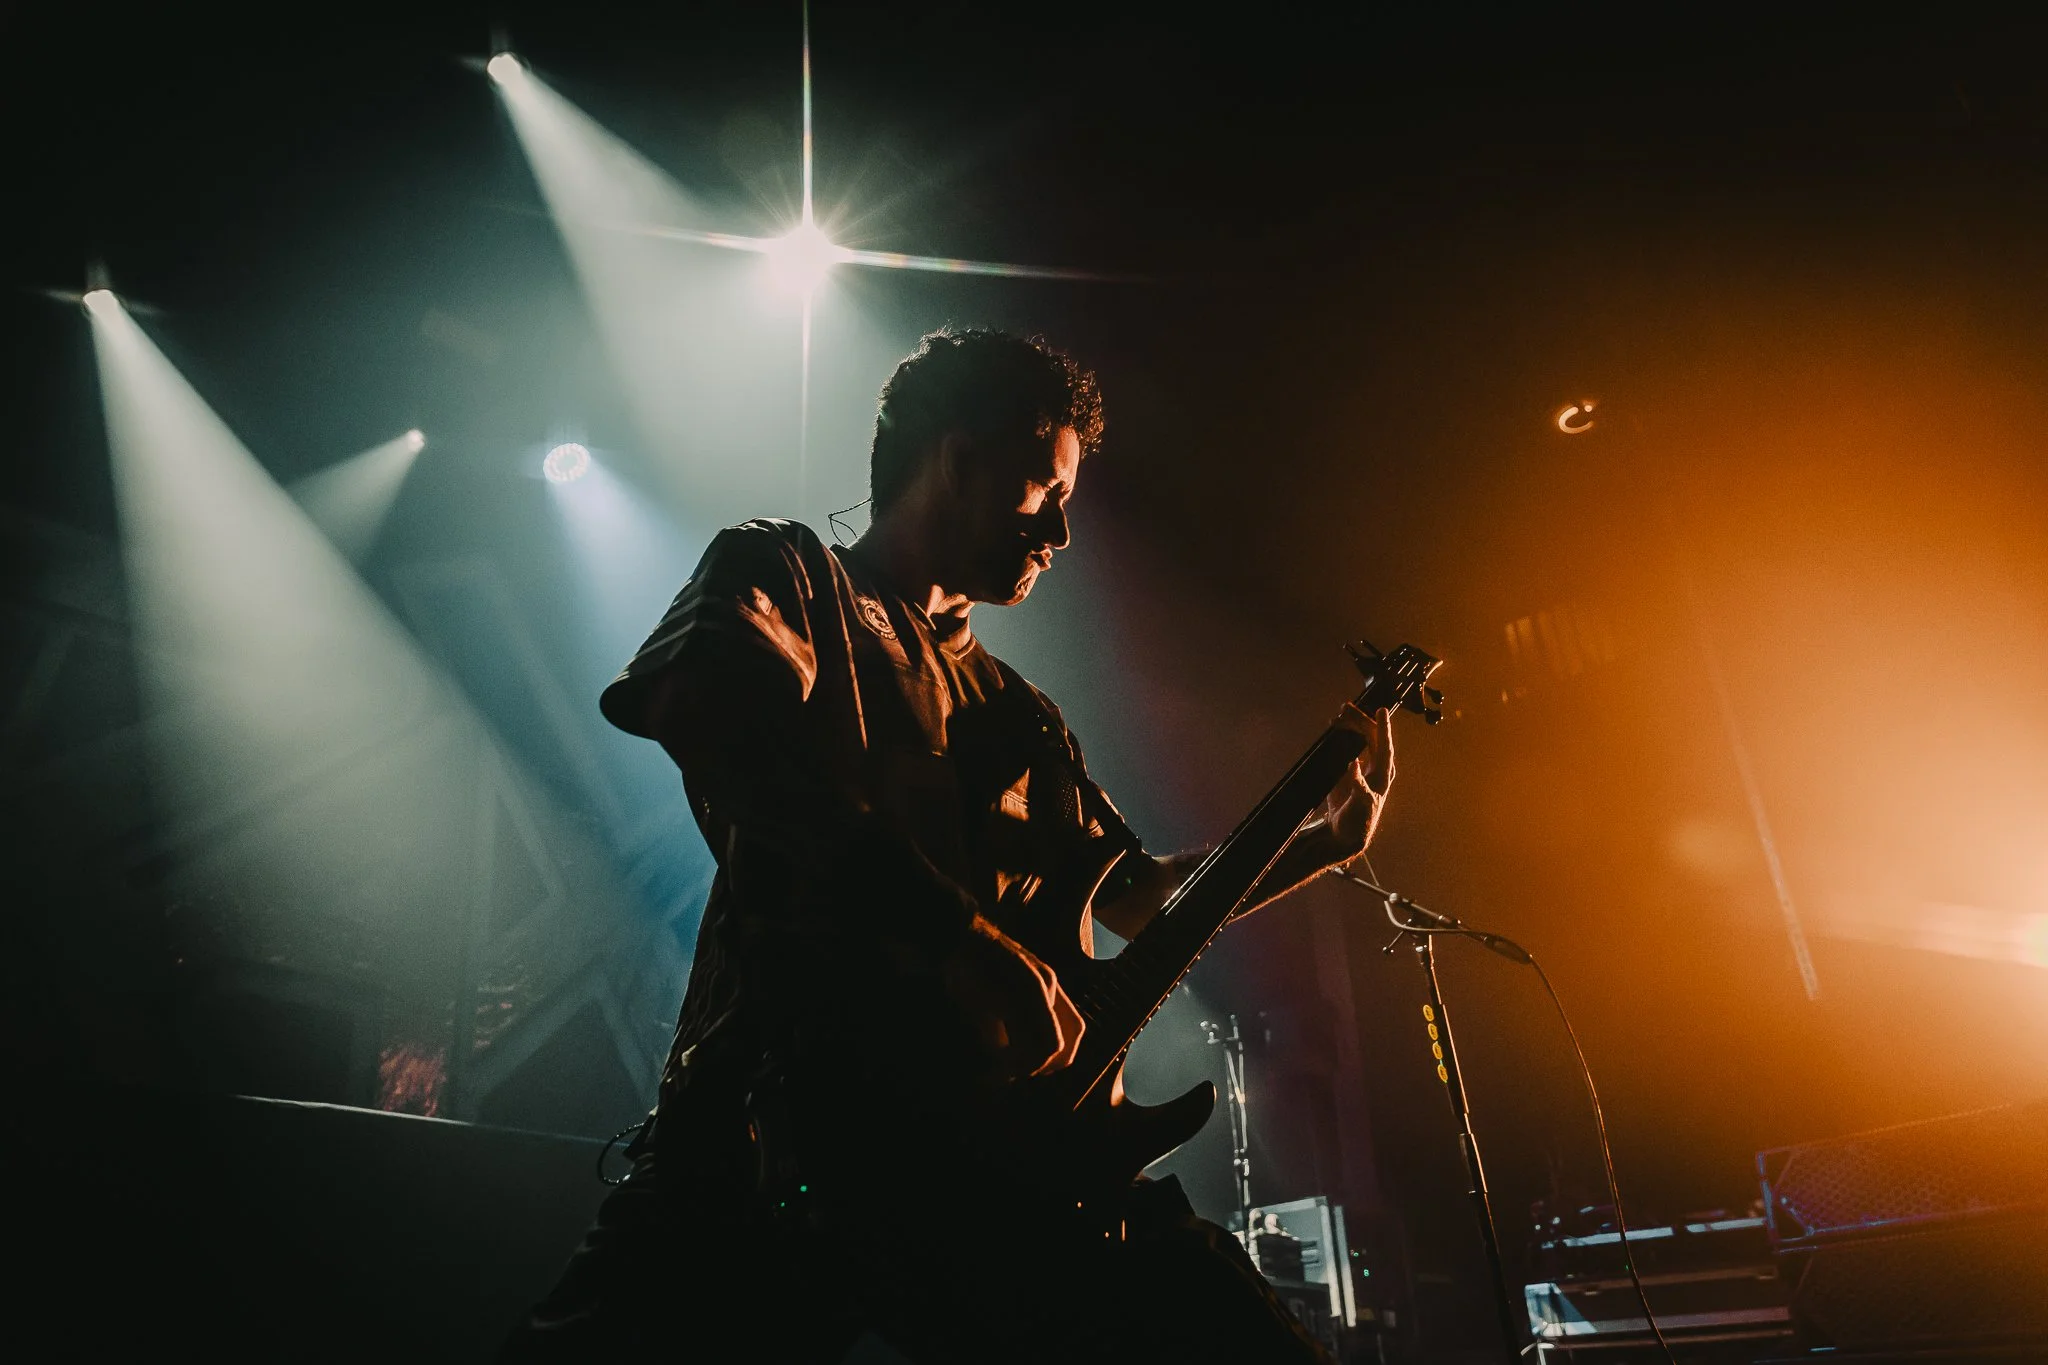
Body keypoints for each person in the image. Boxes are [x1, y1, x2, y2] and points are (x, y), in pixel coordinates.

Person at [502, 328, 1393, 1364]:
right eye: (1043, 487)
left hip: (1003, 1164)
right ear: (958, 460)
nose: (1060, 529)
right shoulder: (786, 571)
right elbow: (705, 716)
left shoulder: (1023, 712)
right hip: (773, 1137)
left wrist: (1321, 843)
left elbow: (1138, 896)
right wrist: (960, 938)